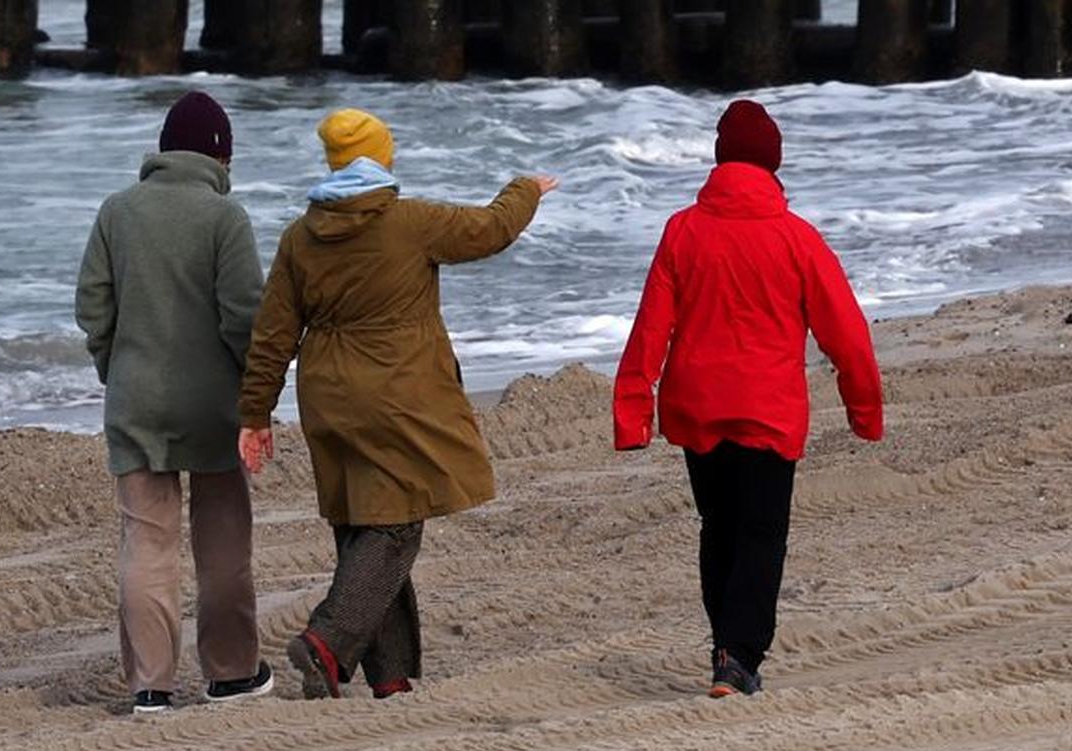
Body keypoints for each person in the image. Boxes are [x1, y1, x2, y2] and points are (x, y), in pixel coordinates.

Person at [237, 108, 551, 699]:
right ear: (381, 157)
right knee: (397, 525)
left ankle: (390, 676)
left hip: (328, 398)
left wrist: (255, 413)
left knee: (363, 523)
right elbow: (489, 229)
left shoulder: (301, 237)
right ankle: (327, 641)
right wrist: (525, 190)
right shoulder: (410, 222)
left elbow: (272, 334)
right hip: (397, 394)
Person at [611, 98, 881, 698]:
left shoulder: (684, 230)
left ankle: (727, 649)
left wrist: (634, 414)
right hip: (768, 411)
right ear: (774, 165)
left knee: (720, 528)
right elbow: (847, 334)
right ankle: (738, 656)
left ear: (720, 161)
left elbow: (649, 327)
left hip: (698, 407)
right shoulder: (797, 238)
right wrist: (864, 412)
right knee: (760, 534)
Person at [74, 90, 271, 716]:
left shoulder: (117, 211)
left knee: (147, 544)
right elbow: (246, 317)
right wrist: (256, 396)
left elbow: (93, 308)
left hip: (135, 402)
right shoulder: (225, 218)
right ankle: (232, 674)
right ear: (220, 155)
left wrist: (116, 368)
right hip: (213, 407)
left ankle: (151, 686)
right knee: (222, 545)